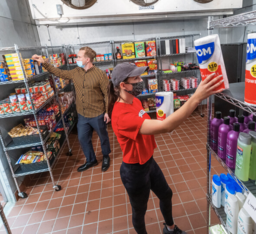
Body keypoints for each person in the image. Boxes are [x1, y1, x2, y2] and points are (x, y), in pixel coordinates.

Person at [108, 63, 224, 234]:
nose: (141, 81)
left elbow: (153, 125)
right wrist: (196, 98)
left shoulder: (135, 101)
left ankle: (169, 229)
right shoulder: (121, 115)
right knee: (140, 212)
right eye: (136, 79)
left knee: (166, 194)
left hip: (148, 161)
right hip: (134, 170)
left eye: (140, 77)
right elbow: (166, 128)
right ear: (123, 85)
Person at [31, 47, 111, 172]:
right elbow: (60, 73)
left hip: (97, 113)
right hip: (82, 114)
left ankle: (106, 156)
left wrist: (106, 111)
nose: (77, 59)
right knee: (83, 138)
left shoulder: (100, 75)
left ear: (87, 59)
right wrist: (44, 62)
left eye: (79, 57)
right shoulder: (76, 72)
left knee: (103, 136)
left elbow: (107, 94)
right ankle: (91, 160)